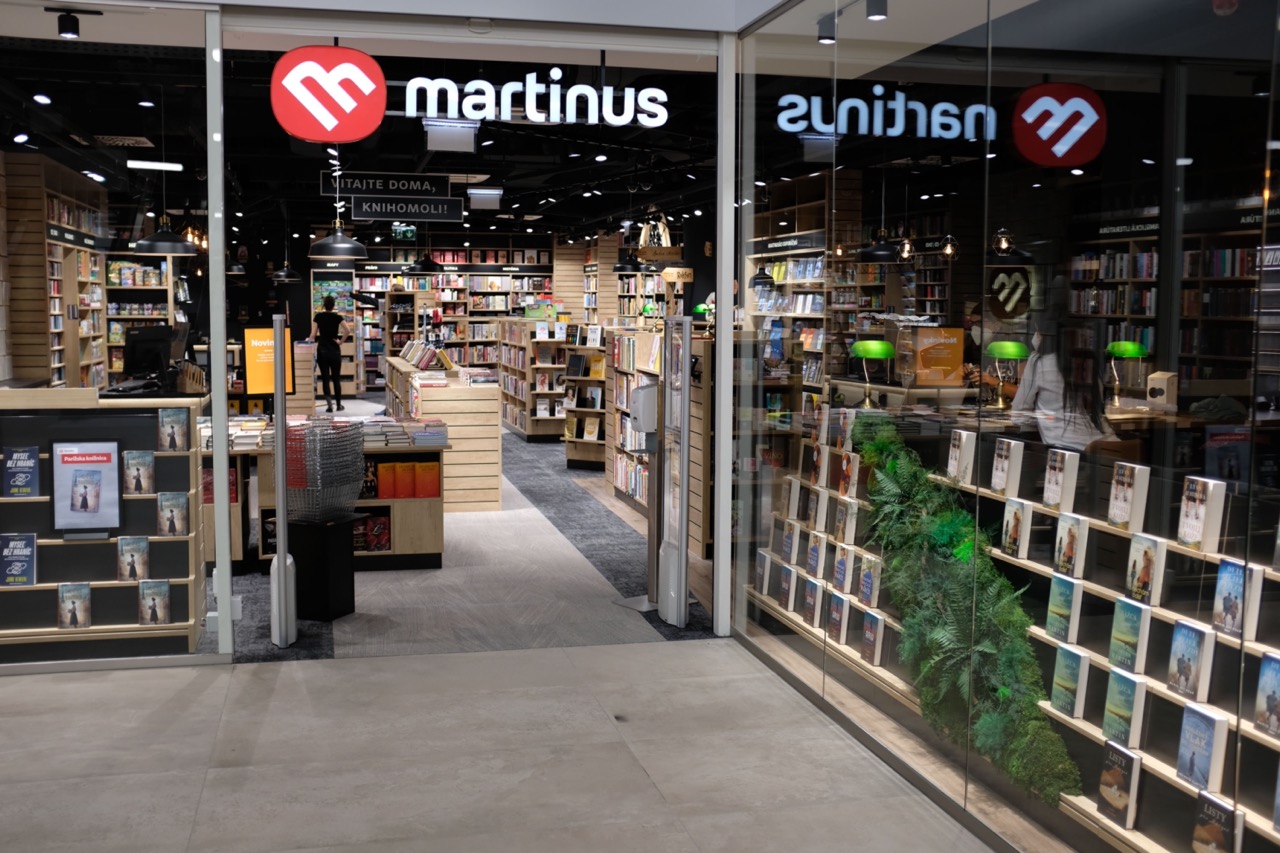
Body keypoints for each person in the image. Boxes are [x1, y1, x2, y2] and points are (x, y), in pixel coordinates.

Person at [312, 295, 352, 413]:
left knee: (325, 378)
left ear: (324, 305)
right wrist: (340, 342)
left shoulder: (318, 317)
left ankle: (329, 406)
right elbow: (347, 330)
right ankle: (339, 405)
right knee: (336, 378)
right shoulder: (337, 317)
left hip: (322, 350)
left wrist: (308, 340)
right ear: (334, 306)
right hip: (334, 350)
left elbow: (313, 335)